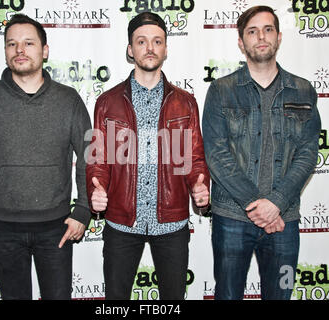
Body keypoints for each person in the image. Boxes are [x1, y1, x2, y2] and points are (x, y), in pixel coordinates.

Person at [0, 14, 92, 300]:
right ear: (5, 51)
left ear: (44, 50)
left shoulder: (69, 100)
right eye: (12, 44)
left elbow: (92, 156)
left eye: (29, 43)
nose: (20, 50)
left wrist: (83, 210)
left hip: (57, 229)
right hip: (0, 230)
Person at [86, 12, 210, 300]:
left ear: (166, 48)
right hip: (121, 220)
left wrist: (200, 186)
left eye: (157, 41)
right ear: (130, 50)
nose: (149, 47)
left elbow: (193, 158)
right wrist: (96, 185)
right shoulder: (107, 102)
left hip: (171, 221)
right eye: (141, 41)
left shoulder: (185, 103)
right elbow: (98, 158)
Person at [202, 6, 321, 300]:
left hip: (285, 222)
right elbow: (216, 155)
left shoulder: (303, 91)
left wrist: (276, 203)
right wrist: (258, 205)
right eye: (252, 32)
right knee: (227, 296)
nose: (261, 37)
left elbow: (308, 153)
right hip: (231, 219)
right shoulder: (221, 90)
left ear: (279, 37)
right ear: (241, 42)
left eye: (268, 29)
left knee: (281, 294)